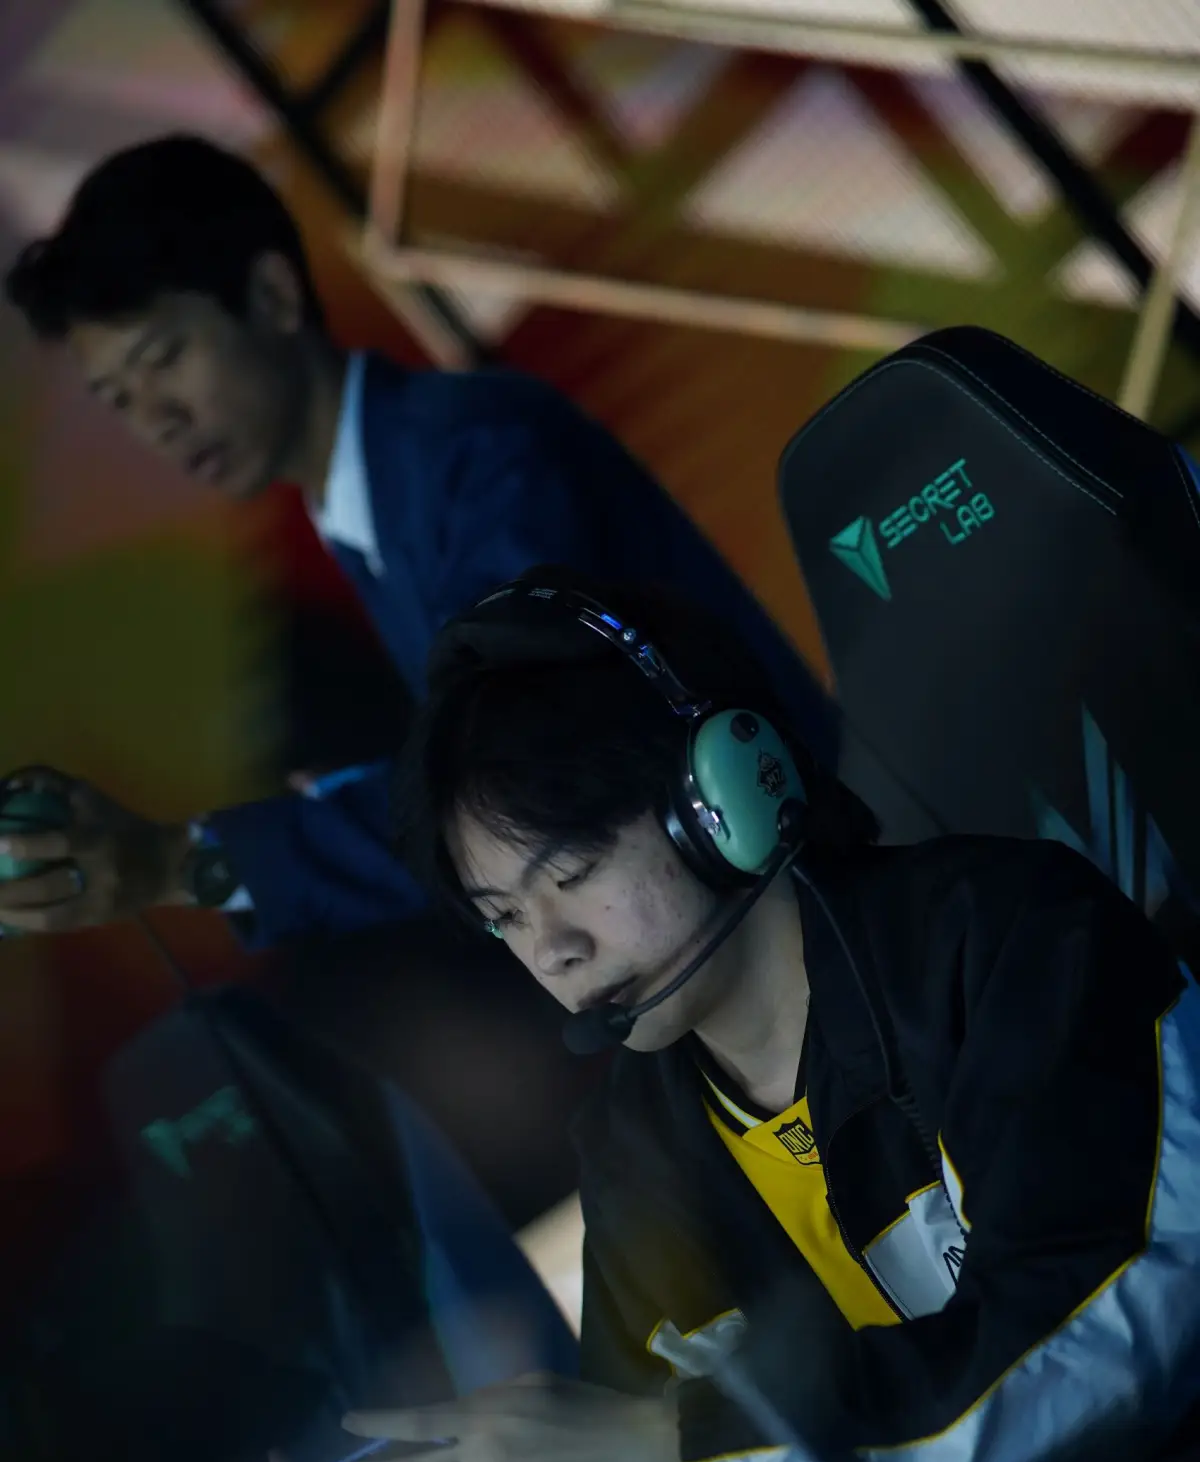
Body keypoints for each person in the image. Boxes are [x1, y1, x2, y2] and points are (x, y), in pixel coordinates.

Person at [313, 565, 1200, 1462]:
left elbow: (1115, 1346)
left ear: (721, 795)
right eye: (506, 920)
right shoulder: (637, 1151)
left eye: (573, 872)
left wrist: (675, 1443)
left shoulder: (1007, 941)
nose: (554, 950)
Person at [0, 134, 833, 946]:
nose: (158, 419)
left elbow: (513, 777)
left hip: (820, 889)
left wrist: (184, 862)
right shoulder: (375, 504)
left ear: (273, 296)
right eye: (119, 399)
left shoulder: (469, 452)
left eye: (165, 358)